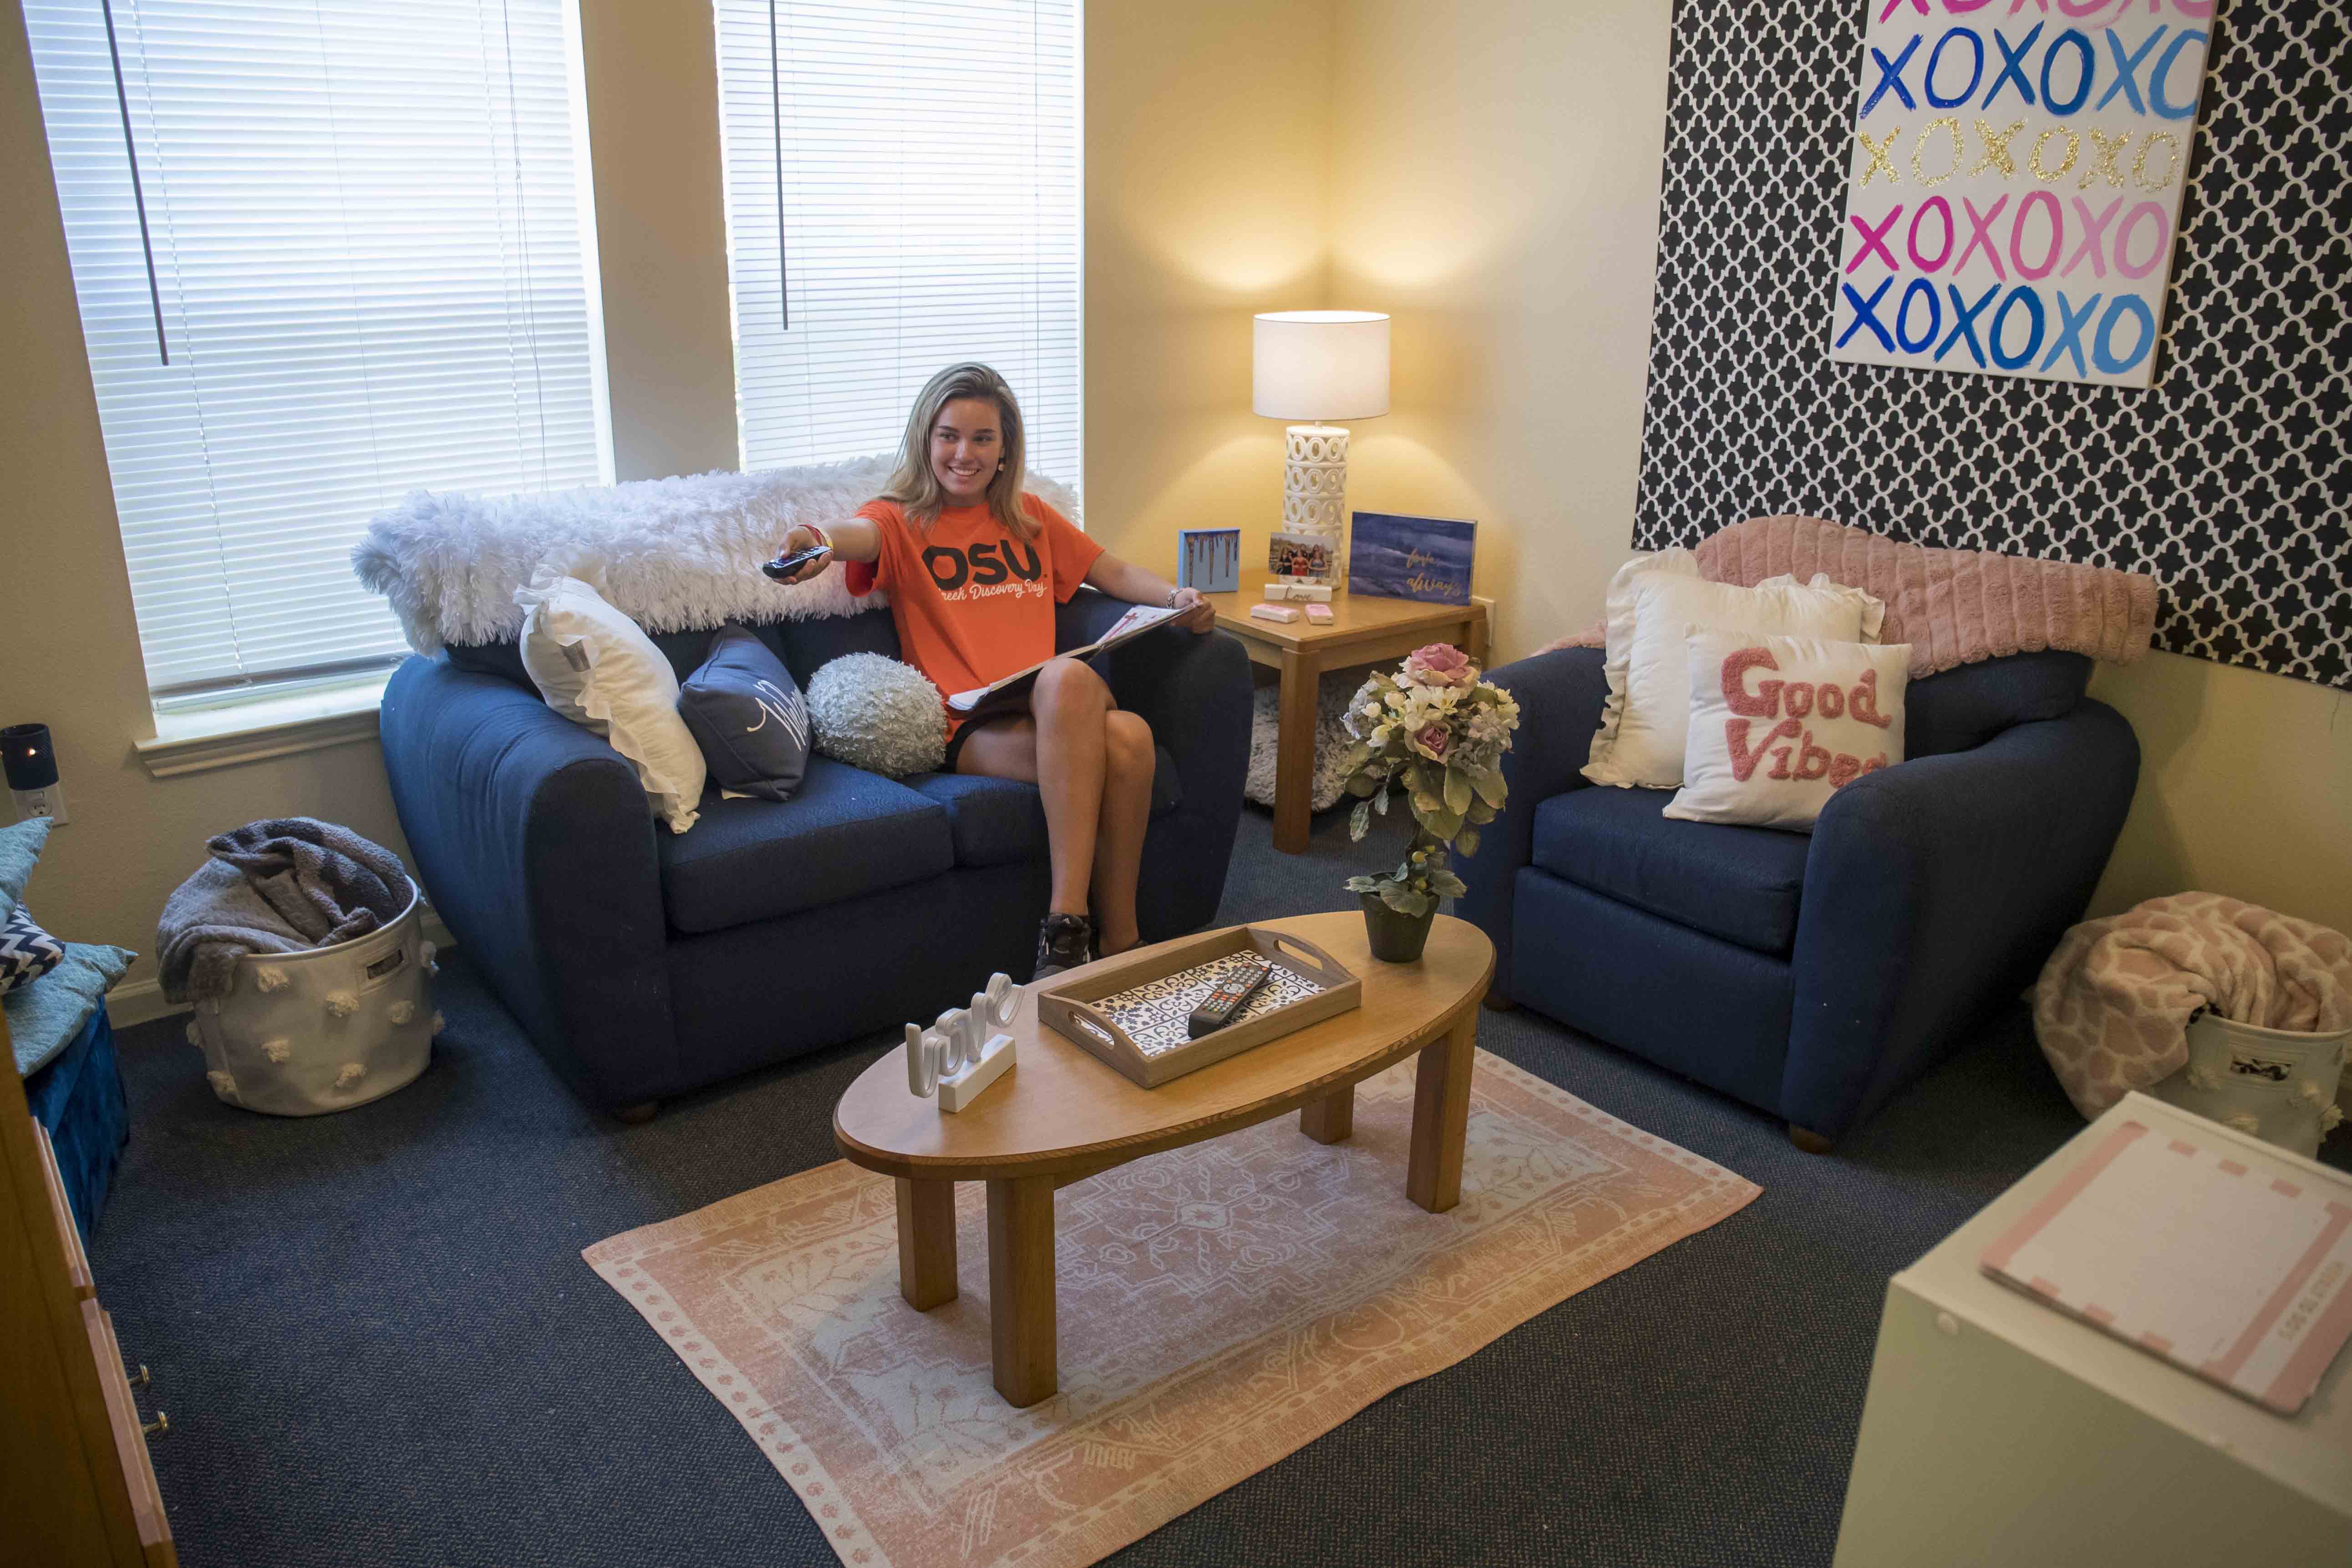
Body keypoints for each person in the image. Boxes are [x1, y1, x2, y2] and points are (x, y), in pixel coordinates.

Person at [768, 363, 1216, 979]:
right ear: (926, 440)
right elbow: (857, 536)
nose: (965, 453)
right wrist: (817, 540)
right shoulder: (901, 519)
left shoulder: (1029, 516)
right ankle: (1069, 924)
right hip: (972, 725)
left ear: (1006, 448)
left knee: (1124, 730)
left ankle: (1117, 948)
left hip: (1056, 711)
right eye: (949, 435)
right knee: (1079, 689)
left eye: (983, 438)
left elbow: (1110, 571)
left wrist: (1175, 598)